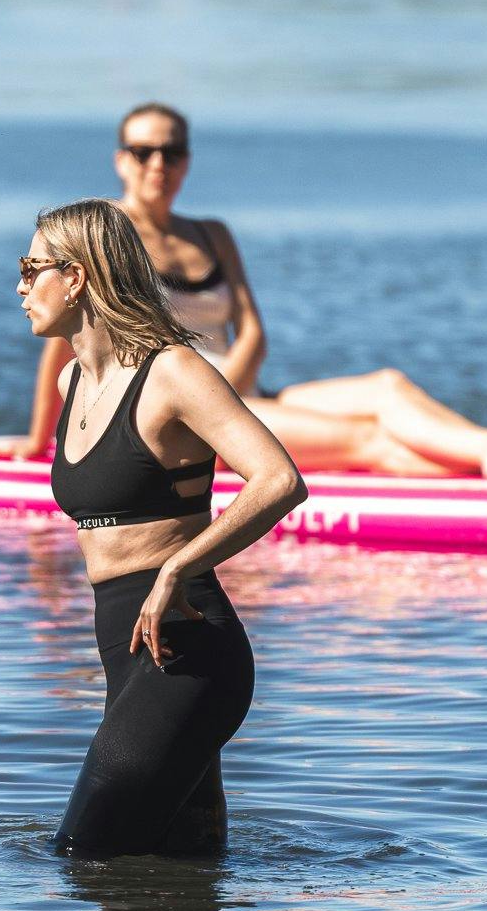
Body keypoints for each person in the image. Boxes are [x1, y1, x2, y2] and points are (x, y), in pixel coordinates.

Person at [0, 103, 487, 478]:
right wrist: (39, 443)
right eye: (143, 150)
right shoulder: (106, 238)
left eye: (171, 151)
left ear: (187, 160)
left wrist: (234, 383)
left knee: (387, 388)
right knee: (366, 438)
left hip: (239, 388)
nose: (158, 164)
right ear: (121, 158)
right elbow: (65, 340)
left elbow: (252, 328)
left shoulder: (212, 232)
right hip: (184, 409)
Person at [23, 199, 304, 859]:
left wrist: (178, 566)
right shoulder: (71, 379)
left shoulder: (172, 370)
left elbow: (278, 479)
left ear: (77, 277)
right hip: (124, 648)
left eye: (31, 268)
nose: (20, 285)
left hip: (188, 648)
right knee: (184, 864)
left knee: (81, 854)